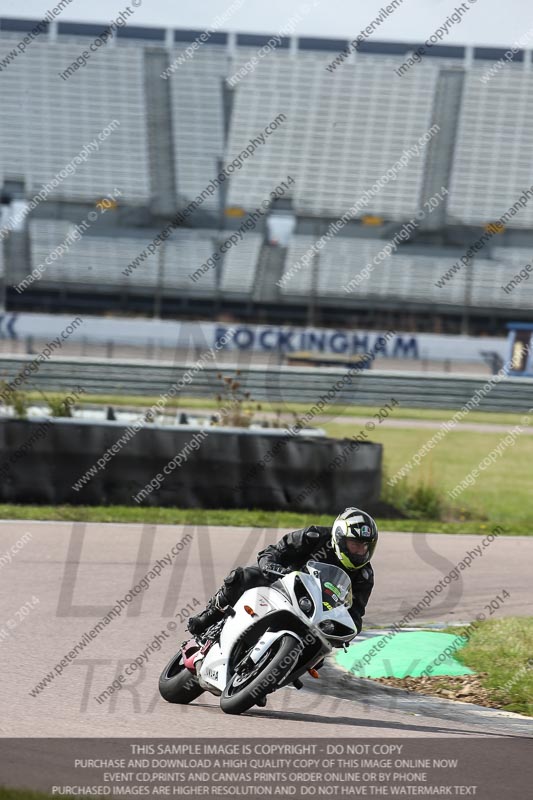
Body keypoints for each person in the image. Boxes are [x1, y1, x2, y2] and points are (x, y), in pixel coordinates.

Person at [187, 507, 377, 638]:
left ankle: (264, 682)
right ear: (340, 537)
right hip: (280, 586)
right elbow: (273, 551)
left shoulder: (364, 576)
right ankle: (211, 614)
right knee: (243, 576)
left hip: (315, 615)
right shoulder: (314, 537)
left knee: (319, 652)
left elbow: (355, 615)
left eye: (364, 547)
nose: (360, 551)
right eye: (355, 544)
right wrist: (273, 566)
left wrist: (344, 630)